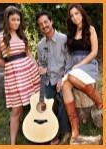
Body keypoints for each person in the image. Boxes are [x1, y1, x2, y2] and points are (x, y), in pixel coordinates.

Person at [0, 6, 40, 145]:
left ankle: (38, 131)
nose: (16, 23)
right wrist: (10, 66)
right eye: (13, 19)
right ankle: (13, 143)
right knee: (16, 109)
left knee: (35, 101)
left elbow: (29, 54)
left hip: (29, 72)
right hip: (14, 76)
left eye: (18, 20)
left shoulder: (21, 34)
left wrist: (36, 68)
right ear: (7, 20)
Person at [60, 4, 103, 140]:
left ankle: (98, 99)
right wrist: (68, 70)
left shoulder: (90, 29)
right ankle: (75, 126)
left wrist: (78, 66)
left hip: (88, 64)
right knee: (65, 86)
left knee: (71, 77)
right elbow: (69, 56)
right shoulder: (71, 32)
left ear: (82, 13)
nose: (74, 17)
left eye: (76, 13)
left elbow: (94, 52)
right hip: (74, 66)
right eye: (72, 15)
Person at [36, 11, 72, 144]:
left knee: (62, 99)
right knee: (44, 103)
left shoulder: (63, 39)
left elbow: (69, 63)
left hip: (62, 78)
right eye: (40, 24)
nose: (44, 25)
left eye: (46, 22)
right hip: (48, 80)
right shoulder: (40, 45)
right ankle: (51, 133)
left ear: (51, 22)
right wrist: (40, 68)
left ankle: (65, 131)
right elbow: (41, 64)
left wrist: (62, 79)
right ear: (39, 27)